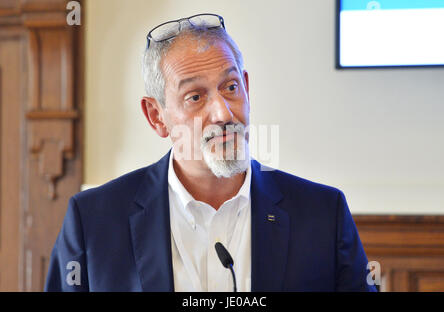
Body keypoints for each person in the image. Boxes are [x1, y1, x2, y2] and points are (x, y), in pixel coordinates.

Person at [45, 13, 376, 292]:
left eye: (230, 88)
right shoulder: (93, 221)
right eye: (195, 97)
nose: (222, 114)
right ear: (156, 117)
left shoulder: (322, 215)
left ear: (246, 88)